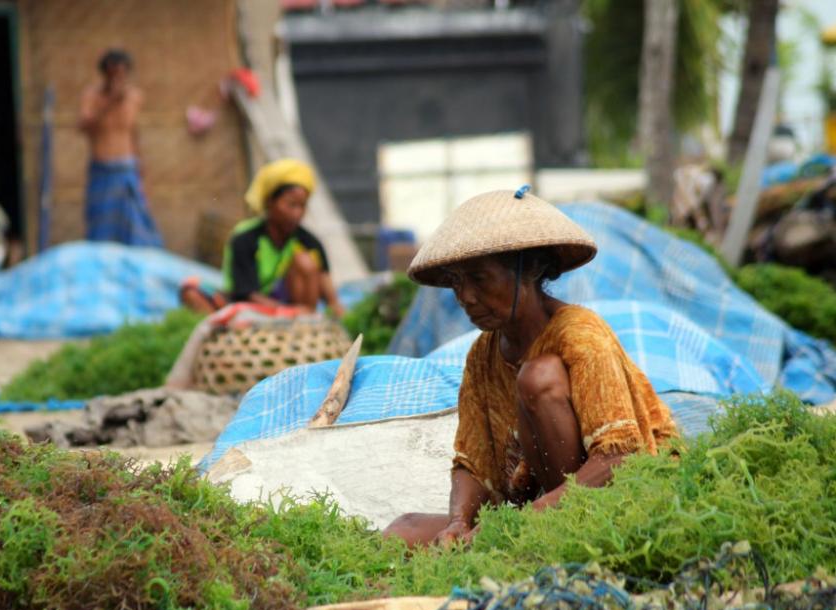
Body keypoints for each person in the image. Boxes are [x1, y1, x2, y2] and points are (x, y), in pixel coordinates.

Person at [383, 189, 678, 548]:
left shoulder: (580, 335)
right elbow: (472, 464)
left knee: (538, 378)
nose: (466, 298)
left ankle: (557, 537)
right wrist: (459, 522)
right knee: (402, 531)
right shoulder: (482, 355)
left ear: (531, 269)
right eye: (458, 283)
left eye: (480, 279)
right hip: (537, 506)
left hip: (607, 505)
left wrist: (524, 522)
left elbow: (618, 457)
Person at [181, 158, 345, 316]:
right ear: (269, 202)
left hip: (290, 308)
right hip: (247, 305)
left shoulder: (309, 242)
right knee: (192, 290)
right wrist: (284, 312)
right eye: (291, 205)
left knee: (306, 262)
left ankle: (303, 322)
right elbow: (245, 293)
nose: (297, 213)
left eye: (302, 206)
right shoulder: (245, 238)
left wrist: (338, 313)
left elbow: (331, 296)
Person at [77, 49, 163, 247]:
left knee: (135, 223)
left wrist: (141, 170)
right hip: (102, 169)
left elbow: (133, 133)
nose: (117, 79)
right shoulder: (91, 96)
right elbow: (84, 126)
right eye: (113, 74)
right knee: (100, 225)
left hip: (127, 169)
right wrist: (108, 103)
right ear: (104, 74)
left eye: (121, 74)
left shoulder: (135, 97)